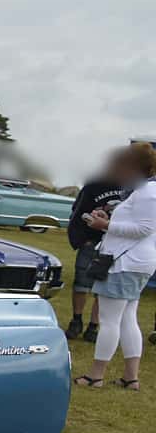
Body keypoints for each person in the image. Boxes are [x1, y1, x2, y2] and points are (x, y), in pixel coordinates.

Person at [74, 142, 156, 391]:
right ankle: (130, 377)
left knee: (110, 321)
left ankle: (95, 375)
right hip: (136, 262)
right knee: (127, 318)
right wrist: (108, 220)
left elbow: (144, 229)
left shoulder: (147, 192)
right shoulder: (144, 190)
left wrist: (105, 227)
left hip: (126, 262)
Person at [64, 158, 131, 340]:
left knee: (101, 287)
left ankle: (94, 327)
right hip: (91, 241)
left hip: (115, 244)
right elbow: (77, 211)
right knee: (81, 283)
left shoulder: (132, 188)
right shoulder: (94, 186)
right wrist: (82, 239)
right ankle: (76, 321)